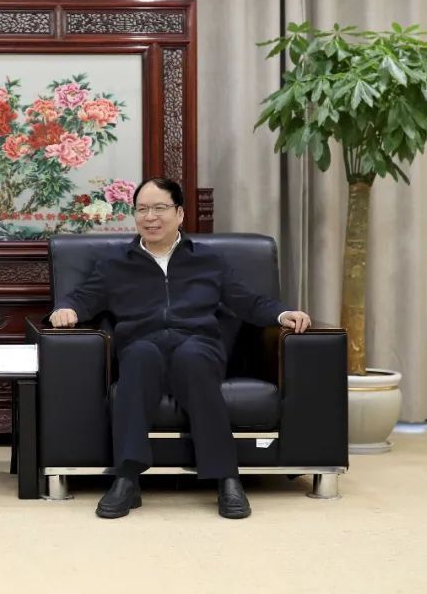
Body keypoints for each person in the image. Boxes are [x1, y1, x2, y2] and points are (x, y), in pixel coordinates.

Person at [49, 177, 311, 520]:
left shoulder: (208, 260)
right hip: (143, 343)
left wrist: (282, 314)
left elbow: (247, 301)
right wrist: (66, 308)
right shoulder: (116, 262)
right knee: (139, 358)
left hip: (197, 342)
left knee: (193, 359)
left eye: (160, 208)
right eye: (142, 209)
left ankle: (226, 477)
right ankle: (127, 478)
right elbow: (84, 297)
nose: (150, 217)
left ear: (180, 214)